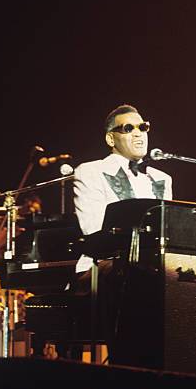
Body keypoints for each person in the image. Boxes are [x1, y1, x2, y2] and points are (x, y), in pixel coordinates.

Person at [74, 104, 173, 273]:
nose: (138, 133)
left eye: (143, 127)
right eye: (128, 129)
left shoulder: (163, 178)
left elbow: (169, 232)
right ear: (111, 139)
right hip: (103, 268)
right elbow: (95, 230)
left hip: (154, 268)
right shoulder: (90, 171)